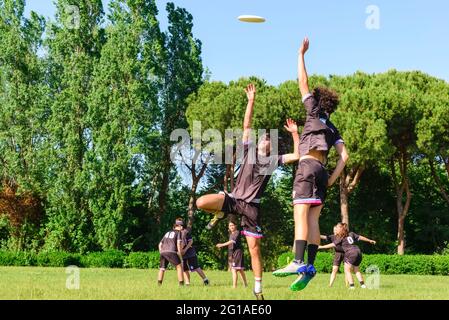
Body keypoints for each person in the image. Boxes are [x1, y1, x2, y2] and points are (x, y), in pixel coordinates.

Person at [196, 83, 301, 300]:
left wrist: (295, 134)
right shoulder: (248, 151)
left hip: (252, 208)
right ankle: (222, 212)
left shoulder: (273, 161)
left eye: (268, 139)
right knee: (200, 202)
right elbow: (246, 126)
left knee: (254, 250)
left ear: (270, 147)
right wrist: (250, 101)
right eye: (263, 137)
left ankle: (258, 290)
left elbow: (297, 155)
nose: (265, 138)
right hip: (234, 200)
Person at [273, 37, 349, 292]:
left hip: (306, 168)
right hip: (322, 171)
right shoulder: (332, 126)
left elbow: (302, 82)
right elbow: (345, 156)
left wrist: (300, 54)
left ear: (318, 101)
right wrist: (331, 178)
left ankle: (297, 261)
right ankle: (311, 265)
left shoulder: (313, 111)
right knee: (314, 219)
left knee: (300, 216)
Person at [319, 222, 376, 289]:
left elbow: (333, 245)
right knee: (356, 270)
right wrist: (369, 240)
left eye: (337, 227)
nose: (336, 229)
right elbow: (360, 237)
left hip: (351, 253)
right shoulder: (351, 233)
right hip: (358, 251)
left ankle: (352, 286)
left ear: (341, 229)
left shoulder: (341, 237)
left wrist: (321, 247)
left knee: (347, 270)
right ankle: (363, 285)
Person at [216, 220, 248, 288]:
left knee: (234, 269)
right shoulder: (231, 234)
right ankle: (245, 285)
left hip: (238, 253)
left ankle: (234, 286)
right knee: (240, 270)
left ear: (235, 226)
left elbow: (232, 241)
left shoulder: (237, 232)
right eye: (230, 225)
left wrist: (222, 245)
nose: (231, 227)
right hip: (234, 254)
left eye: (233, 225)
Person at [179, 220, 210, 286]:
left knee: (195, 267)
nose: (179, 226)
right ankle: (187, 283)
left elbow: (191, 241)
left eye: (180, 225)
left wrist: (184, 250)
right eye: (178, 225)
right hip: (183, 254)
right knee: (185, 269)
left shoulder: (185, 232)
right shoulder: (178, 233)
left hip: (190, 254)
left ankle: (205, 280)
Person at [157, 218, 184, 286]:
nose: (182, 228)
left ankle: (159, 284)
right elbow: (178, 243)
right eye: (182, 226)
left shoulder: (167, 232)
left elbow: (160, 244)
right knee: (179, 266)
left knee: (162, 268)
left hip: (163, 251)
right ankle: (181, 284)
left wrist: (161, 252)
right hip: (172, 251)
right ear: (179, 226)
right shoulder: (179, 233)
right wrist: (180, 254)